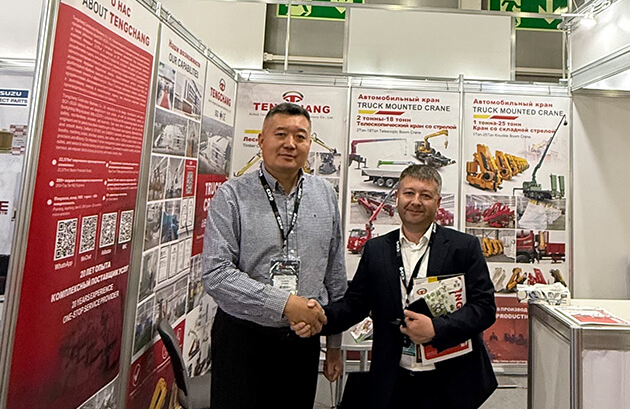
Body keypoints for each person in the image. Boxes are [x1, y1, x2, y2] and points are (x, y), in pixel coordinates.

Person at [295, 164, 497, 409]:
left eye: (425, 195)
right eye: (409, 193)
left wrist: (437, 328)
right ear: (397, 197)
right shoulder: (376, 250)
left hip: (450, 382)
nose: (416, 201)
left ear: (438, 202)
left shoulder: (464, 247)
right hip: (392, 380)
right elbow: (355, 304)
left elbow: (484, 308)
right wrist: (320, 317)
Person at [202, 102, 347, 409]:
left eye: (300, 136)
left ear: (309, 143)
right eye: (280, 134)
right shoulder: (231, 195)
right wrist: (285, 304)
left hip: (302, 343)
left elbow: (335, 273)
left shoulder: (325, 194)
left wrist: (334, 345)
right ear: (261, 140)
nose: (290, 144)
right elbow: (216, 274)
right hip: (243, 338)